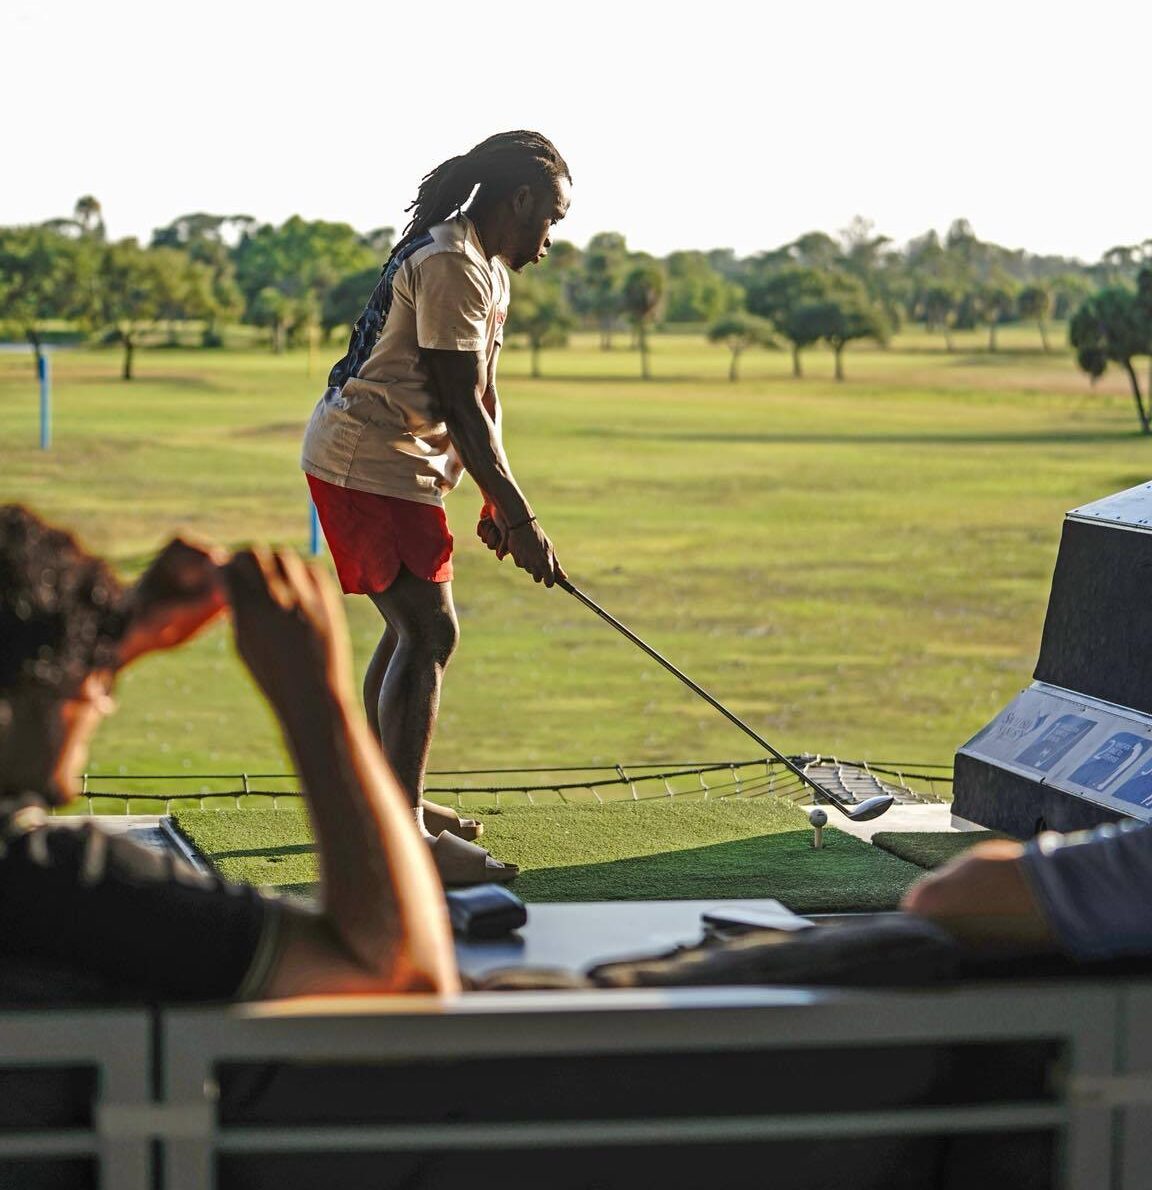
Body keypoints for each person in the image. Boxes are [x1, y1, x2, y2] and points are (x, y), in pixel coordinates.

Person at [0, 504, 459, 1002]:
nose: (101, 703)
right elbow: (400, 972)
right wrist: (314, 696)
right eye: (83, 686)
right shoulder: (53, 888)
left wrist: (112, 640)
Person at [301, 131, 572, 884]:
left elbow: (483, 397)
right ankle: (406, 836)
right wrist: (520, 518)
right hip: (367, 461)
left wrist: (499, 496)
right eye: (551, 218)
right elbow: (456, 402)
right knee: (430, 632)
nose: (550, 241)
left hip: (393, 465)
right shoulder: (452, 261)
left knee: (409, 631)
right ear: (519, 201)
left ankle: (390, 804)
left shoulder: (486, 266)